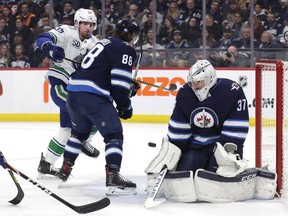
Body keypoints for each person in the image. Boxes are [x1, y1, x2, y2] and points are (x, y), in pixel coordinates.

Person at [144, 60, 276, 203]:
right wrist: (172, 152)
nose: (195, 86)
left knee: (217, 176)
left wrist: (227, 153)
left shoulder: (231, 91)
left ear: (210, 79)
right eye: (193, 82)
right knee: (184, 174)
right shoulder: (185, 94)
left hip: (222, 149)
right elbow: (178, 130)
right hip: (196, 147)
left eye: (199, 82)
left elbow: (236, 130)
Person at [57, 19, 140, 196]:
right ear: (131, 35)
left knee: (78, 134)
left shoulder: (104, 42)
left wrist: (127, 84)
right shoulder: (126, 48)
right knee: (114, 135)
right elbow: (118, 85)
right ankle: (113, 175)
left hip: (73, 93)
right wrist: (126, 106)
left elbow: (99, 70)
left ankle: (64, 170)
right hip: (93, 96)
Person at [35, 8, 100, 178]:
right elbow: (43, 38)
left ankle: (46, 164)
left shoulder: (94, 44)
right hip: (61, 85)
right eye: (85, 23)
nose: (88, 27)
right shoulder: (66, 32)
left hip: (76, 88)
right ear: (78, 23)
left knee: (66, 130)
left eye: (91, 24)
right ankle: (84, 140)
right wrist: (50, 49)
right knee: (91, 113)